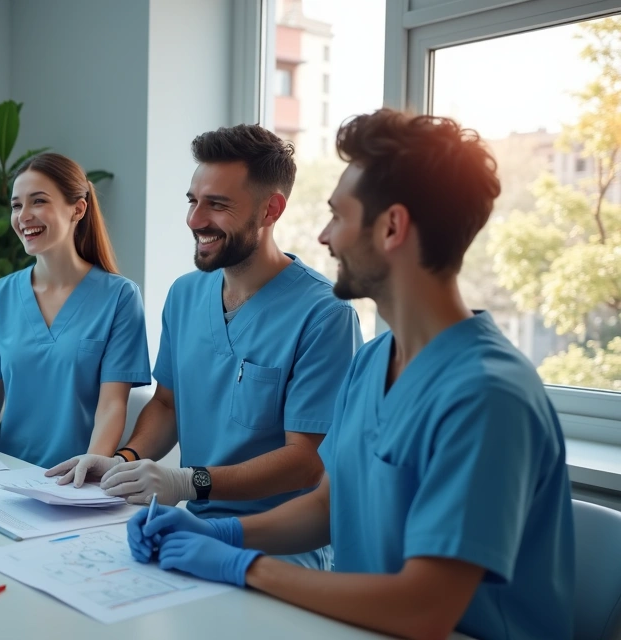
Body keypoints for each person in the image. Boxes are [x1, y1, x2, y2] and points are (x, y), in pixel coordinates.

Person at [126, 110, 574, 640]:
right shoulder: (374, 361)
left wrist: (242, 565)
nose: (322, 236)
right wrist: (222, 531)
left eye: (338, 215)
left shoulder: (486, 395)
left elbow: (423, 611)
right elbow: (324, 504)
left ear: (391, 228)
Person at [47, 125, 361, 570]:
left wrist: (186, 482)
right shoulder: (185, 295)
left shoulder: (325, 315)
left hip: (282, 549)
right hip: (191, 529)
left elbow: (306, 462)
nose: (195, 220)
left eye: (217, 204)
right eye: (193, 201)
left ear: (271, 209)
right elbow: (168, 405)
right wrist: (120, 462)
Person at [0, 153, 152, 469]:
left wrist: (90, 466)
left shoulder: (120, 297)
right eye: (16, 205)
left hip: (74, 480)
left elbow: (112, 405)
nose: (23, 216)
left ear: (77, 209)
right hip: (5, 476)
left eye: (38, 201)